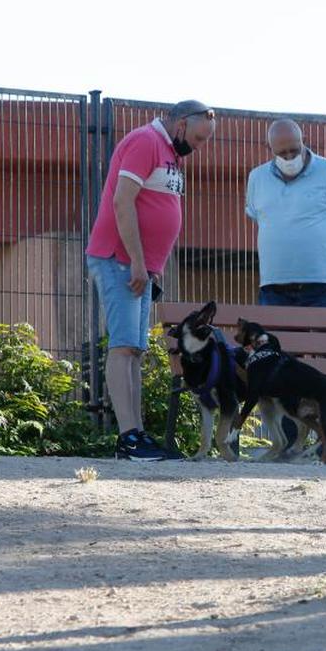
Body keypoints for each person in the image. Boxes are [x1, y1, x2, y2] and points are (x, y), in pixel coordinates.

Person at [86, 100, 216, 460]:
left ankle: (137, 435)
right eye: (198, 138)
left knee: (135, 351)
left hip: (140, 265)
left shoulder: (169, 152)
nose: (199, 146)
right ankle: (129, 438)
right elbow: (122, 202)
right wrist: (139, 263)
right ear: (180, 125)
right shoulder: (145, 142)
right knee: (123, 347)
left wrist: (149, 265)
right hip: (120, 259)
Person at [245, 118, 326, 460]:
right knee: (276, 369)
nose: (288, 156)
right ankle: (287, 445)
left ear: (304, 142)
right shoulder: (257, 178)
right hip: (274, 286)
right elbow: (263, 220)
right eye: (281, 152)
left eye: (293, 150)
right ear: (270, 150)